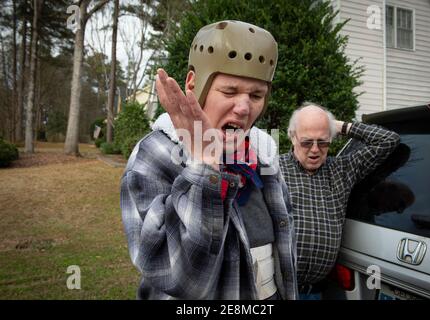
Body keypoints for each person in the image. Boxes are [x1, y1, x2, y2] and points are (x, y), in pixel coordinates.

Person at [120, 20, 297, 300]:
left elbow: (283, 240)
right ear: (194, 83)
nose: (243, 108)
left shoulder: (262, 152)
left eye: (256, 95)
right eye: (229, 91)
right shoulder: (155, 154)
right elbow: (178, 278)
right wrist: (204, 165)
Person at [279, 102, 400, 300]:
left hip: (315, 292)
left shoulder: (342, 169)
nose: (315, 150)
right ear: (292, 137)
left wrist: (340, 126)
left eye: (323, 141)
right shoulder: (274, 169)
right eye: (307, 142)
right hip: (275, 289)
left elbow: (389, 140)